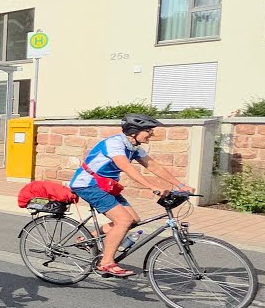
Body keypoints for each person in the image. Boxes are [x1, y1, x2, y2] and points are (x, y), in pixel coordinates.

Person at [67, 114, 195, 278]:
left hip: (106, 186)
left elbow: (153, 166)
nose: (151, 134)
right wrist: (152, 186)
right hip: (87, 184)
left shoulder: (133, 146)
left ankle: (87, 240)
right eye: (148, 131)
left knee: (133, 220)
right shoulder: (114, 144)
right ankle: (106, 263)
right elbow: (126, 167)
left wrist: (180, 185)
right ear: (134, 131)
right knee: (124, 220)